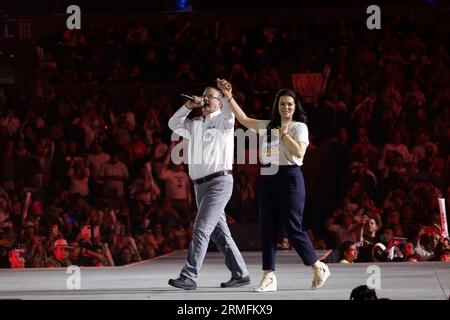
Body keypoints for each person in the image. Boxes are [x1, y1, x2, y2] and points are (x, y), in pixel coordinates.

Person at [217, 79, 330, 291]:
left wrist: (284, 133)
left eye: (289, 104)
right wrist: (227, 95)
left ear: (295, 107)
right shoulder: (268, 125)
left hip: (290, 178)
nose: (285, 107)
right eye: (282, 104)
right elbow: (243, 119)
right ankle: (269, 276)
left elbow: (299, 152)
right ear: (276, 107)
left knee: (292, 226)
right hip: (269, 178)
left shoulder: (299, 127)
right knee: (266, 227)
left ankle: (317, 266)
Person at [166, 84, 250, 290]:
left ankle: (189, 275)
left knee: (202, 228)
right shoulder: (195, 123)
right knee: (220, 234)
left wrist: (228, 94)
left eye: (209, 97)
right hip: (199, 187)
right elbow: (172, 123)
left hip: (219, 183)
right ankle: (241, 273)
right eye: (203, 97)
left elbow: (232, 110)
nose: (204, 100)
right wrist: (188, 105)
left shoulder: (224, 120)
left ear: (219, 102)